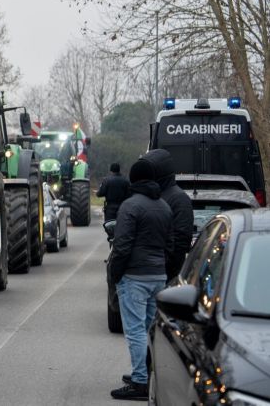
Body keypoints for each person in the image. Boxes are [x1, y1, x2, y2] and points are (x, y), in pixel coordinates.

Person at [108, 158, 172, 401]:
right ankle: (148, 373)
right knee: (151, 329)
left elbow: (122, 246)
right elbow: (170, 244)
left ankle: (140, 382)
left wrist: (116, 273)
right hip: (159, 276)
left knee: (134, 330)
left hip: (134, 276)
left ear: (133, 179)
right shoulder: (164, 206)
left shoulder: (130, 206)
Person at [143, 149, 194, 281]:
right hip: (147, 272)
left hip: (166, 275)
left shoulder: (178, 199)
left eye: (149, 171)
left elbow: (181, 240)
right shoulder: (151, 194)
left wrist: (166, 270)